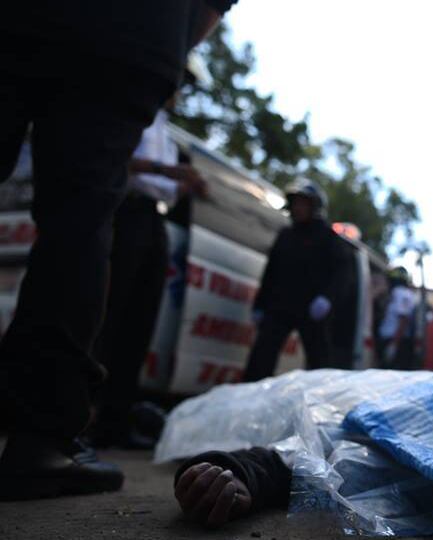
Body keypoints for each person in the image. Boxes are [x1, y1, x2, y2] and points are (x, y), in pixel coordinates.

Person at [0, 0, 236, 501]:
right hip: (126, 37)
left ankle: (67, 426)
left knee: (91, 252)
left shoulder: (167, 134)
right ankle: (41, 437)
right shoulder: (151, 113)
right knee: (78, 222)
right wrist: (167, 41)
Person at [89, 65, 210, 450]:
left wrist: (189, 184)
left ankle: (116, 421)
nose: (179, 91)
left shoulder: (167, 134)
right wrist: (169, 170)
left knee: (141, 323)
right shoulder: (134, 115)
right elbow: (119, 160)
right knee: (112, 314)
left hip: (154, 220)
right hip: (127, 212)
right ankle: (84, 414)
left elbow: (166, 188)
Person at [243, 180, 350, 382]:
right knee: (261, 356)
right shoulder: (285, 235)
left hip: (312, 309)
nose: (298, 208)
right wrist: (259, 304)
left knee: (319, 361)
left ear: (315, 207)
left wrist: (327, 298)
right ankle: (251, 392)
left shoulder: (327, 237)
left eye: (304, 204)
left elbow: (342, 272)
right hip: (279, 306)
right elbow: (270, 273)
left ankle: (320, 396)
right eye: (295, 203)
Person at [377, 267, 419, 370]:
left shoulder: (400, 293)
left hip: (394, 341)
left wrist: (393, 345)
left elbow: (403, 320)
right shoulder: (403, 293)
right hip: (394, 340)